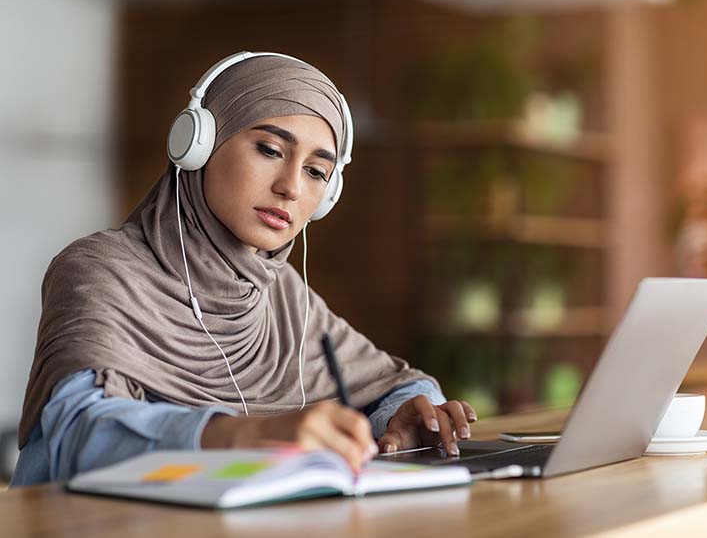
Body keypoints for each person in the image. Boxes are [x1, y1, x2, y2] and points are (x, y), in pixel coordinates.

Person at [10, 52, 476, 487]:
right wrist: (242, 435)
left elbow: (395, 381)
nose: (291, 187)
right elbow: (77, 434)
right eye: (271, 150)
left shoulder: (284, 296)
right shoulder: (101, 270)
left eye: (317, 172)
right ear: (198, 145)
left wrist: (398, 414)